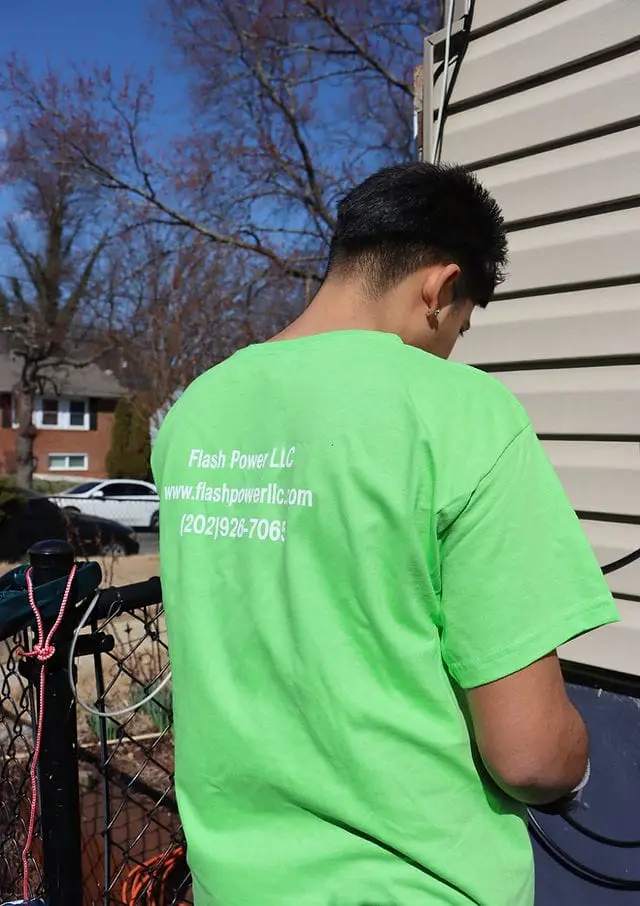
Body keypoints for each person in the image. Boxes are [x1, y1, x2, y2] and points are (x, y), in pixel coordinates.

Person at [151, 162, 619, 906]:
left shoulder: (196, 411)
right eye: (459, 329)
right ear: (440, 289)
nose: (450, 351)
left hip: (233, 883)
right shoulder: (463, 412)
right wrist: (581, 766)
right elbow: (531, 755)